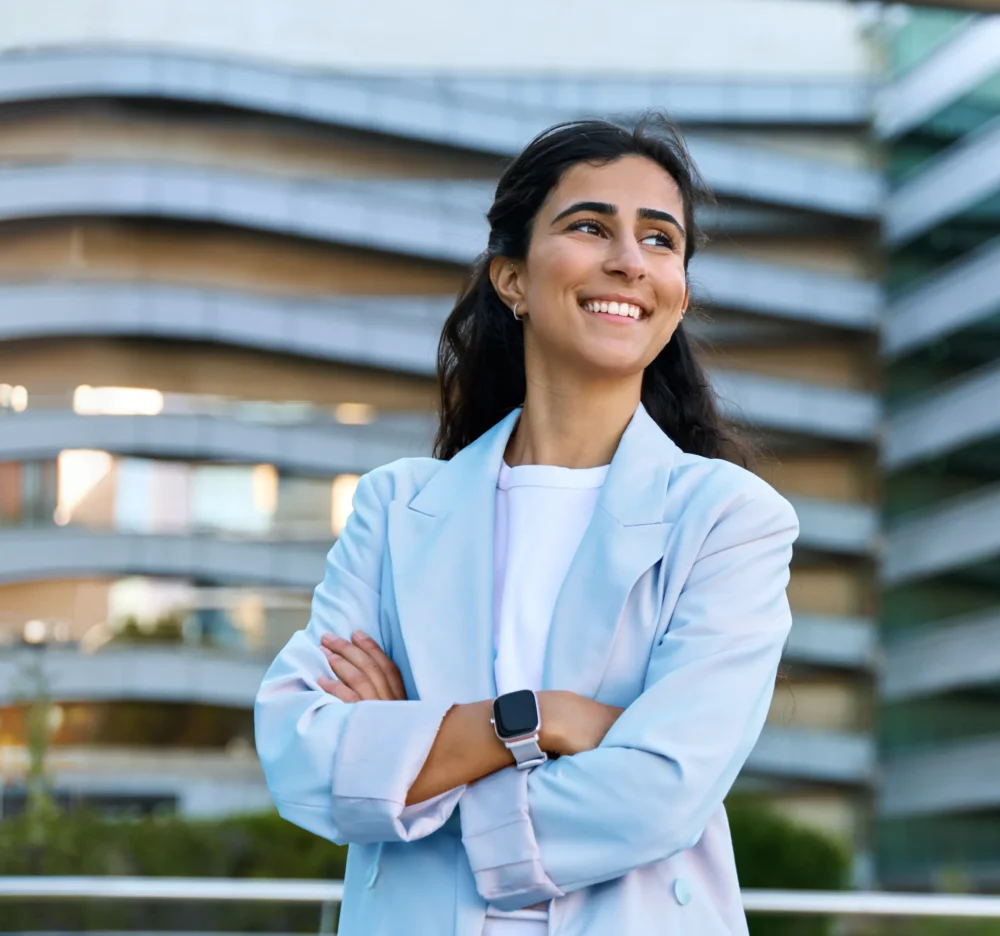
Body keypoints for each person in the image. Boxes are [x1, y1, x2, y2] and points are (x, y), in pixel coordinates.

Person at [254, 115, 800, 936]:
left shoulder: (729, 518)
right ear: (511, 279)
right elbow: (303, 752)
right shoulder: (396, 506)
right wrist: (539, 718)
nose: (628, 260)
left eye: (660, 239)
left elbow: (662, 790)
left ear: (679, 290)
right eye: (589, 226)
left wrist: (414, 761)